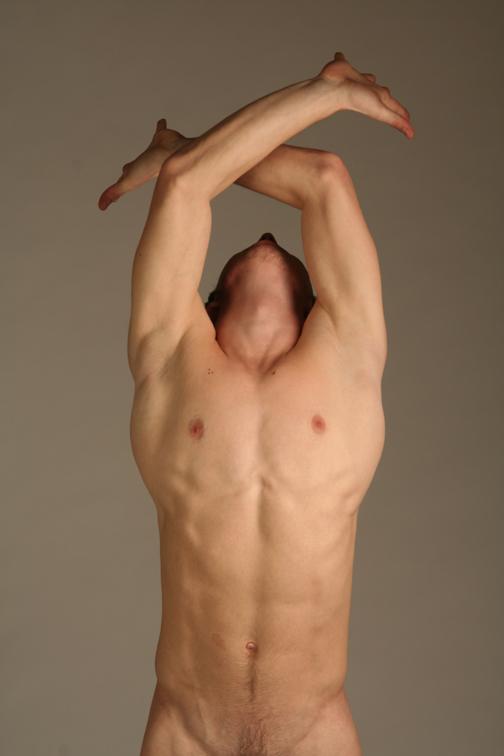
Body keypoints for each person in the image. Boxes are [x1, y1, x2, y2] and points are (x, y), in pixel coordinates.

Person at [98, 51, 413, 756]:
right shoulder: (169, 353)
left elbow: (323, 178)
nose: (269, 233)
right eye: (253, 245)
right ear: (212, 300)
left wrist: (188, 147)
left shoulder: (350, 353)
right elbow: (187, 186)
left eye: (279, 242)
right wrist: (318, 98)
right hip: (185, 727)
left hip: (314, 729)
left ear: (314, 297)